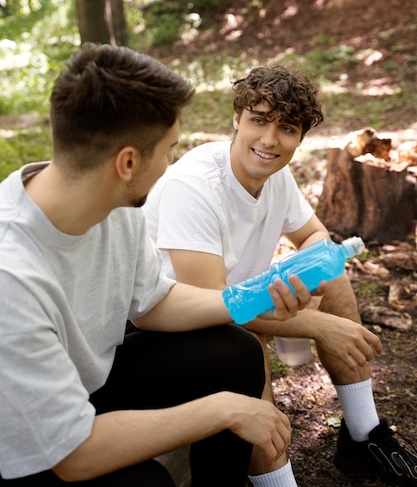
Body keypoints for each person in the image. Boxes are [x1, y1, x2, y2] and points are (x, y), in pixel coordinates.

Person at [0, 45, 316, 487]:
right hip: (28, 446)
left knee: (236, 352)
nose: (174, 162)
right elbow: (72, 454)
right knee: (147, 482)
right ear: (127, 162)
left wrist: (254, 297)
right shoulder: (11, 272)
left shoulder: (115, 201)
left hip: (92, 386)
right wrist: (222, 410)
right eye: (169, 150)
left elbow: (153, 302)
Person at [144, 64, 417, 487]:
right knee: (247, 344)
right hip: (171, 327)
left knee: (335, 279)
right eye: (258, 121)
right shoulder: (195, 186)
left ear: (300, 137)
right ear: (237, 119)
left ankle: (364, 438)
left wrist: (309, 270)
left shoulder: (276, 174)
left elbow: (313, 235)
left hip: (238, 300)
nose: (270, 140)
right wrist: (317, 325)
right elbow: (212, 303)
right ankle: (277, 479)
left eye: (287, 128)